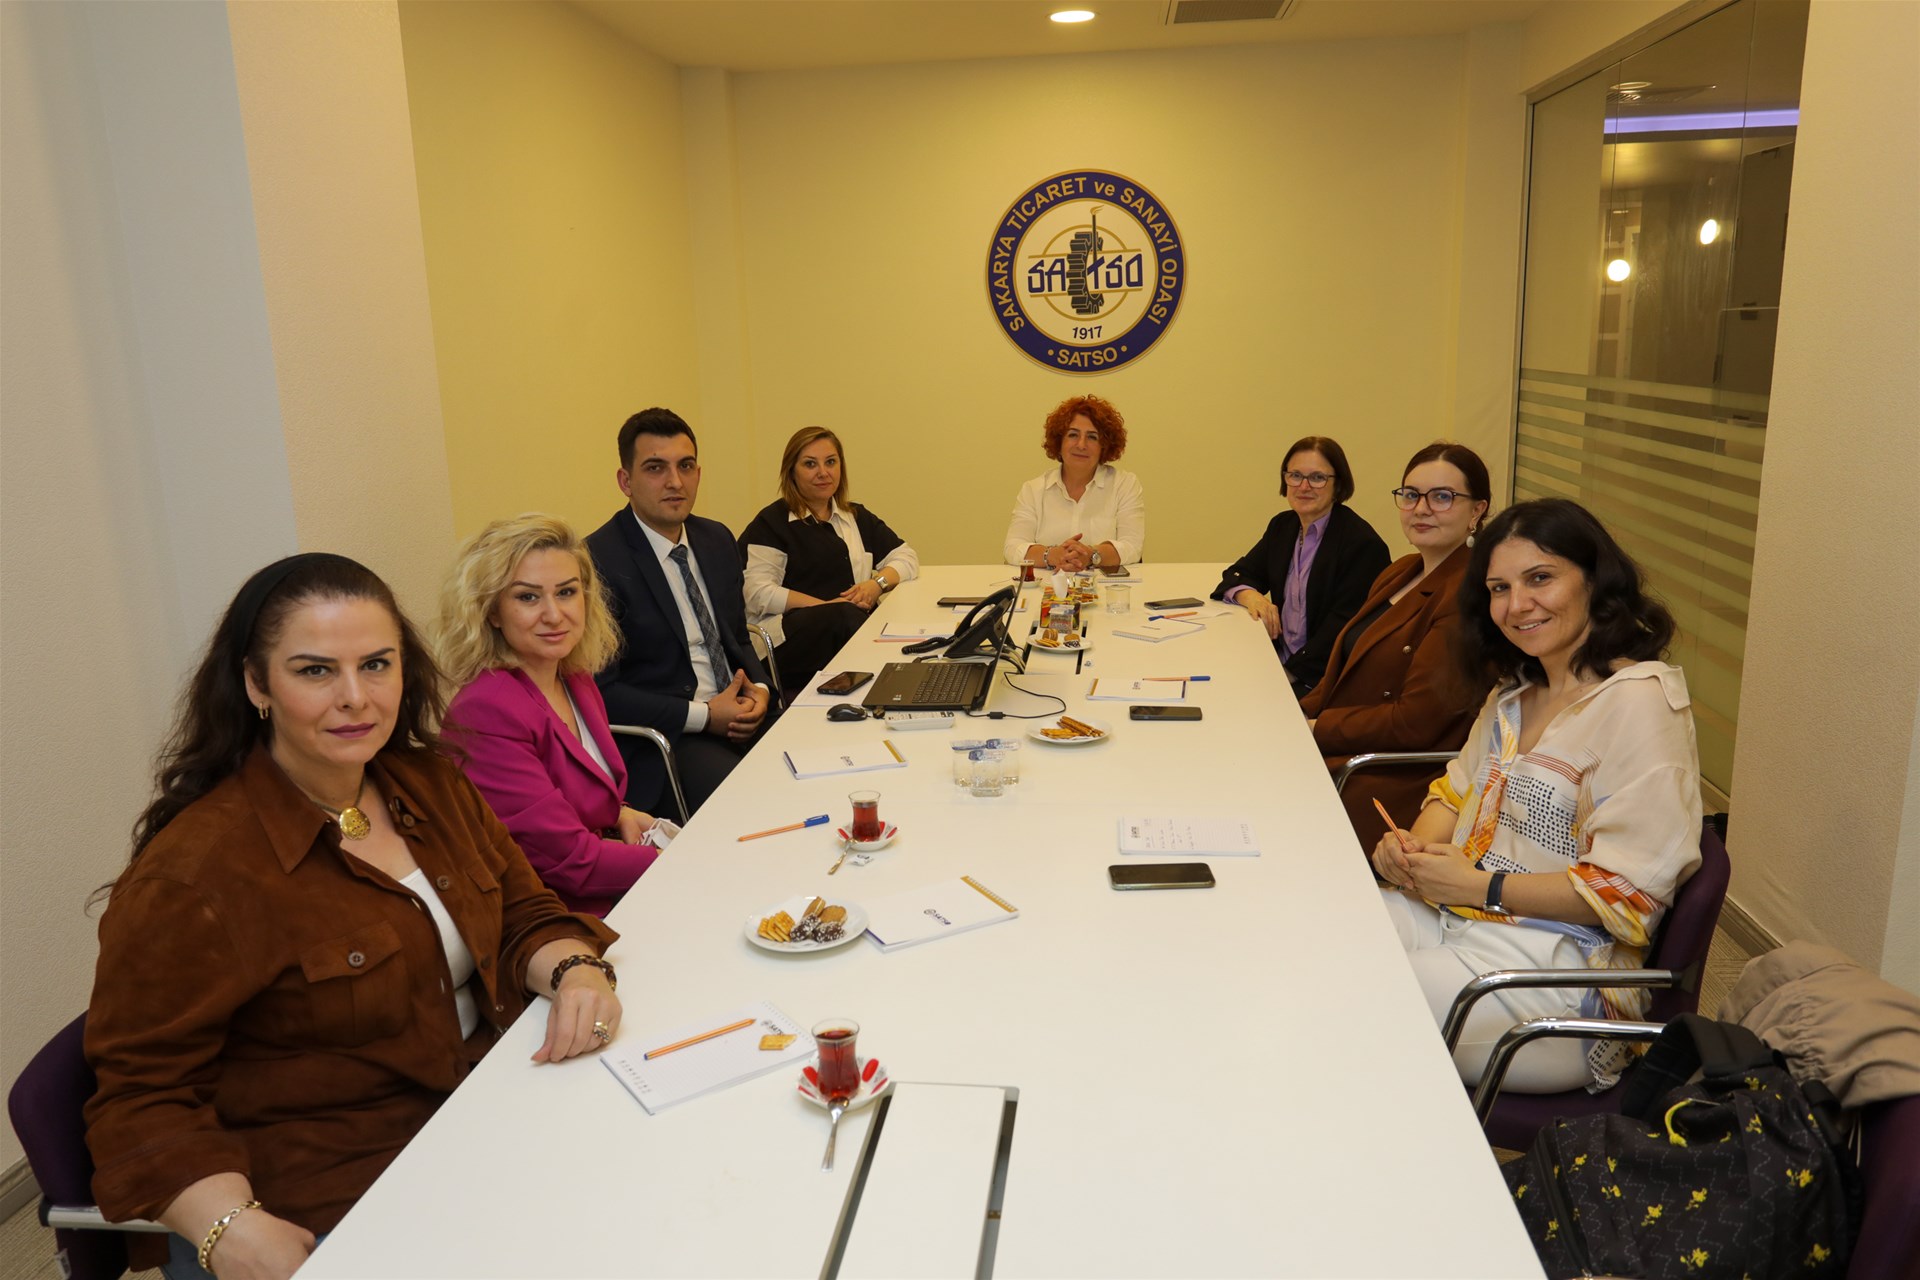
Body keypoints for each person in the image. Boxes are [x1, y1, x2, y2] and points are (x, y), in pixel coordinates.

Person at [84, 553, 621, 1280]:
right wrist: (228, 1229)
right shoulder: (195, 874)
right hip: (336, 1199)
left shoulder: (429, 782)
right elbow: (141, 1096)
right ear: (256, 685)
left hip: (485, 1120)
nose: (355, 698)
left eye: (376, 665)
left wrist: (577, 970)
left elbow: (522, 909)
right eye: (315, 671)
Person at [1371, 499, 1702, 1093]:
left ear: (1594, 581)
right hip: (1459, 918)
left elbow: (1626, 894)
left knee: (1359, 999)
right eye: (1499, 588)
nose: (1517, 604)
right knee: (1325, 936)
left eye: (1540, 578)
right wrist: (1410, 851)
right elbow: (1453, 794)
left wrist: (1480, 886)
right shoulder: (1515, 692)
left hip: (1558, 976)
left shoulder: (1640, 703)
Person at [439, 514, 677, 917]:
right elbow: (573, 863)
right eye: (528, 597)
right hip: (550, 918)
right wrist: (679, 860)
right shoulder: (486, 711)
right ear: (492, 611)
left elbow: (572, 792)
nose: (554, 614)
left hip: (605, 892)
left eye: (566, 592)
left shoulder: (574, 678)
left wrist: (619, 812)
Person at [1299, 441, 1495, 840]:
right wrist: (1292, 714)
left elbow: (1414, 724)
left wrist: (1314, 727)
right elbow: (1342, 672)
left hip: (1385, 776)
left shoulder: (1468, 595)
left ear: (1477, 510)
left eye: (1442, 497)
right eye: (1411, 495)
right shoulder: (1402, 571)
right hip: (1340, 746)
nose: (1421, 508)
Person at [585, 407, 773, 818]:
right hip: (670, 735)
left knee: (825, 759)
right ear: (625, 481)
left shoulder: (716, 538)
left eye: (685, 466)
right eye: (656, 468)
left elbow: (738, 638)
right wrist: (706, 716)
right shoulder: (596, 560)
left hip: (740, 712)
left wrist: (759, 691)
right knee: (751, 806)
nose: (675, 481)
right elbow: (603, 691)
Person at [738, 426, 920, 687]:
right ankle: (897, 685)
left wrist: (875, 585)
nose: (823, 472)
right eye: (810, 464)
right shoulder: (771, 523)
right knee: (846, 616)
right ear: (791, 471)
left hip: (848, 630)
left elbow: (906, 557)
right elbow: (756, 592)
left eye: (831, 462)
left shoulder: (855, 517)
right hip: (784, 643)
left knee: (892, 623)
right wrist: (826, 607)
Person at [1214, 436, 1391, 695]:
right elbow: (1238, 574)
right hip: (1280, 662)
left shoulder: (1362, 545)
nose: (1304, 486)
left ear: (1338, 484)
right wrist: (1252, 597)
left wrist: (1283, 678)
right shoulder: (1283, 526)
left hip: (1322, 682)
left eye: (1317, 478)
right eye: (1295, 475)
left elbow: (1343, 629)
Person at [1003, 394, 1145, 570]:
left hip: (1104, 585)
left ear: (1104, 446)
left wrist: (1091, 555)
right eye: (1073, 435)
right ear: (1059, 441)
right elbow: (1013, 548)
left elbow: (1132, 547)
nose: (1081, 445)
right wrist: (1053, 555)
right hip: (1047, 585)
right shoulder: (1033, 490)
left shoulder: (1124, 485)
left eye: (1092, 437)